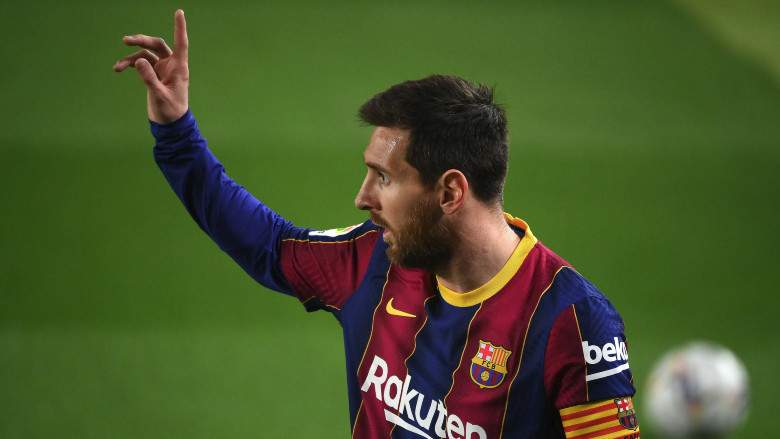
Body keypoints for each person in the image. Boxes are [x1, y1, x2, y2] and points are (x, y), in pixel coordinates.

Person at [114, 10, 640, 439]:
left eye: (383, 178)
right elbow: (268, 244)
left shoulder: (572, 321)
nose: (362, 197)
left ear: (450, 192)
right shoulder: (373, 261)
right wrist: (175, 131)